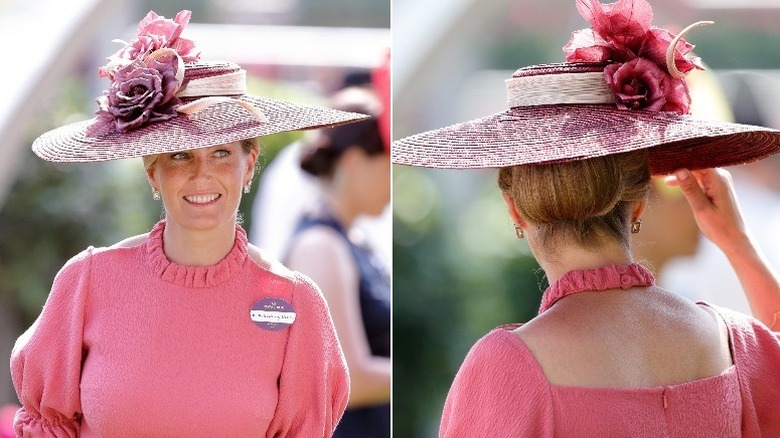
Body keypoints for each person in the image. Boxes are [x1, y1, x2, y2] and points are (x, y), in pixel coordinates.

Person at [392, 0, 780, 435]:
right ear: (638, 201)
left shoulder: (509, 366)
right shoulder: (734, 343)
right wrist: (739, 245)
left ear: (514, 210)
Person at [10, 10, 369, 436]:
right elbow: (46, 426)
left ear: (249, 164)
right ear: (152, 173)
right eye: (180, 156)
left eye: (221, 153)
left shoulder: (294, 302)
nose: (203, 173)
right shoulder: (87, 282)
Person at [285, 85, 391, 437]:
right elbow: (346, 377)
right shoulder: (320, 246)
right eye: (387, 165)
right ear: (355, 161)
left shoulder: (352, 240)